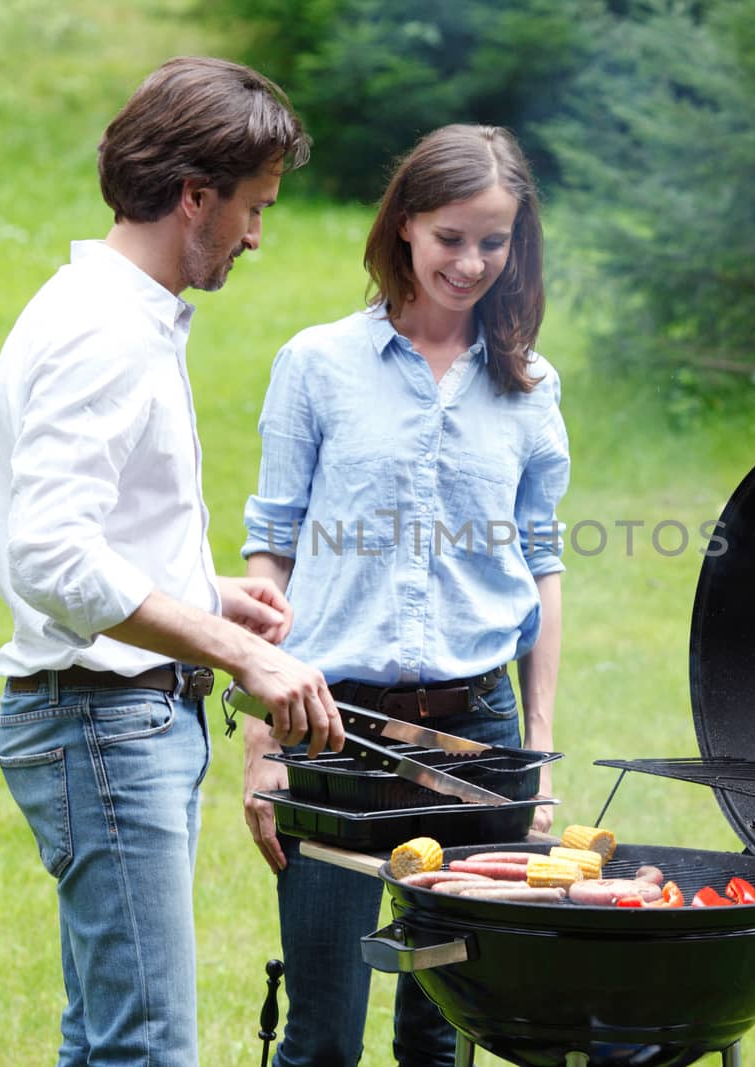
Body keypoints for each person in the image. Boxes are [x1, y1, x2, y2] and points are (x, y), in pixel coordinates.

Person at [0, 57, 346, 1067]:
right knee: (145, 1048)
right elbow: (52, 554)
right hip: (101, 724)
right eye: (253, 207)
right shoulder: (103, 331)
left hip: (115, 720)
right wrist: (242, 650)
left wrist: (204, 587)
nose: (258, 236)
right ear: (196, 196)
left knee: (103, 1040)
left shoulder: (120, 314)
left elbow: (93, 529)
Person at [239, 124, 570, 1067]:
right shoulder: (317, 365)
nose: (471, 263)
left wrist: (537, 754)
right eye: (450, 238)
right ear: (404, 229)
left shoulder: (530, 387)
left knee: (448, 1032)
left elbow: (542, 569)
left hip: (481, 737)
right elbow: (271, 554)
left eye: (494, 241)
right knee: (324, 1034)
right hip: (335, 731)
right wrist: (264, 746)